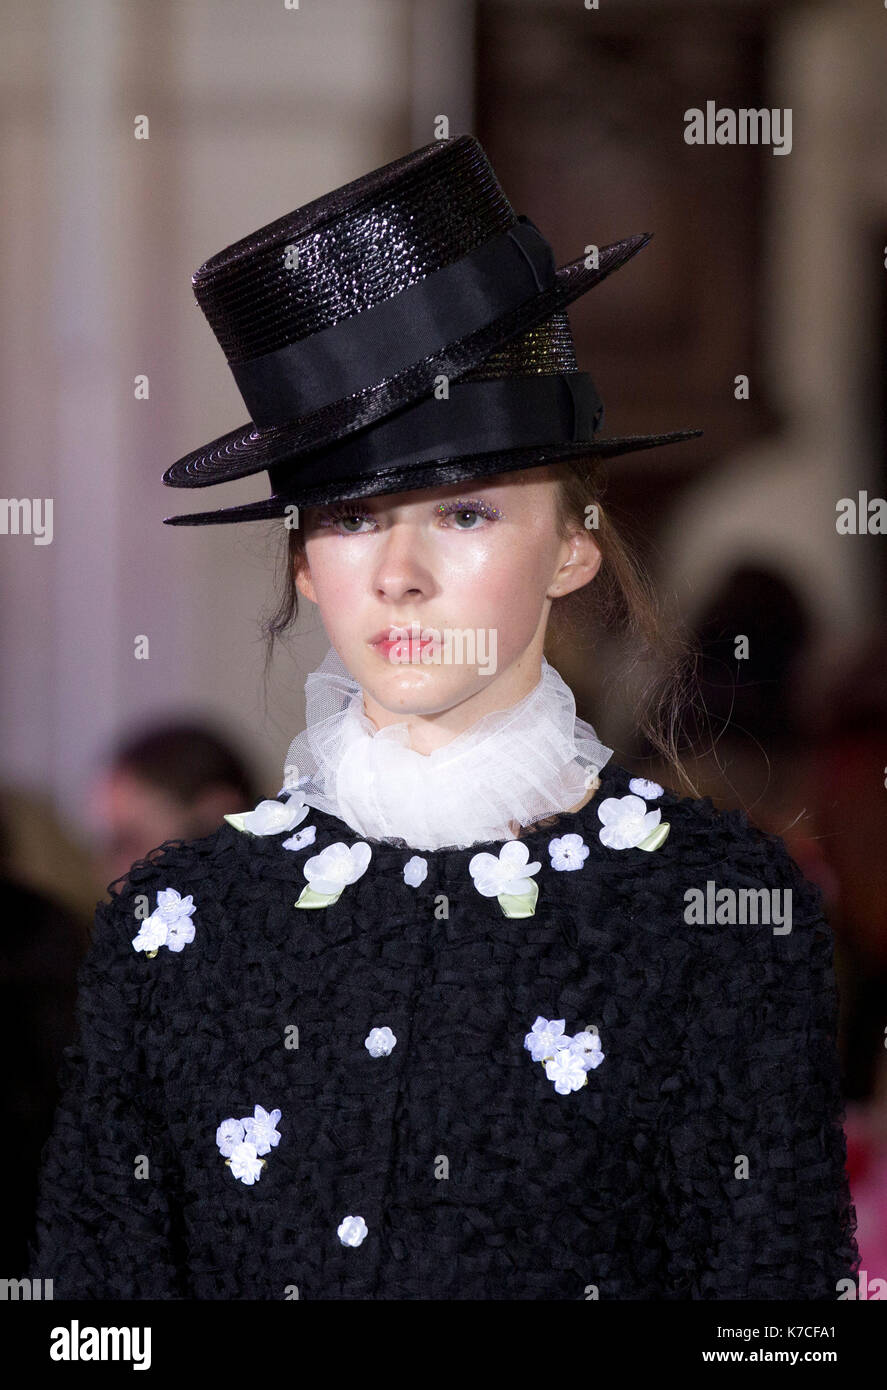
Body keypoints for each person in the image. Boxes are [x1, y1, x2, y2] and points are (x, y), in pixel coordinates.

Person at [27, 134, 859, 1299]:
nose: (400, 573)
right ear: (306, 564)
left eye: (464, 513)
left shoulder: (716, 918)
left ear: (573, 545)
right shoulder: (176, 929)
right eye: (355, 516)